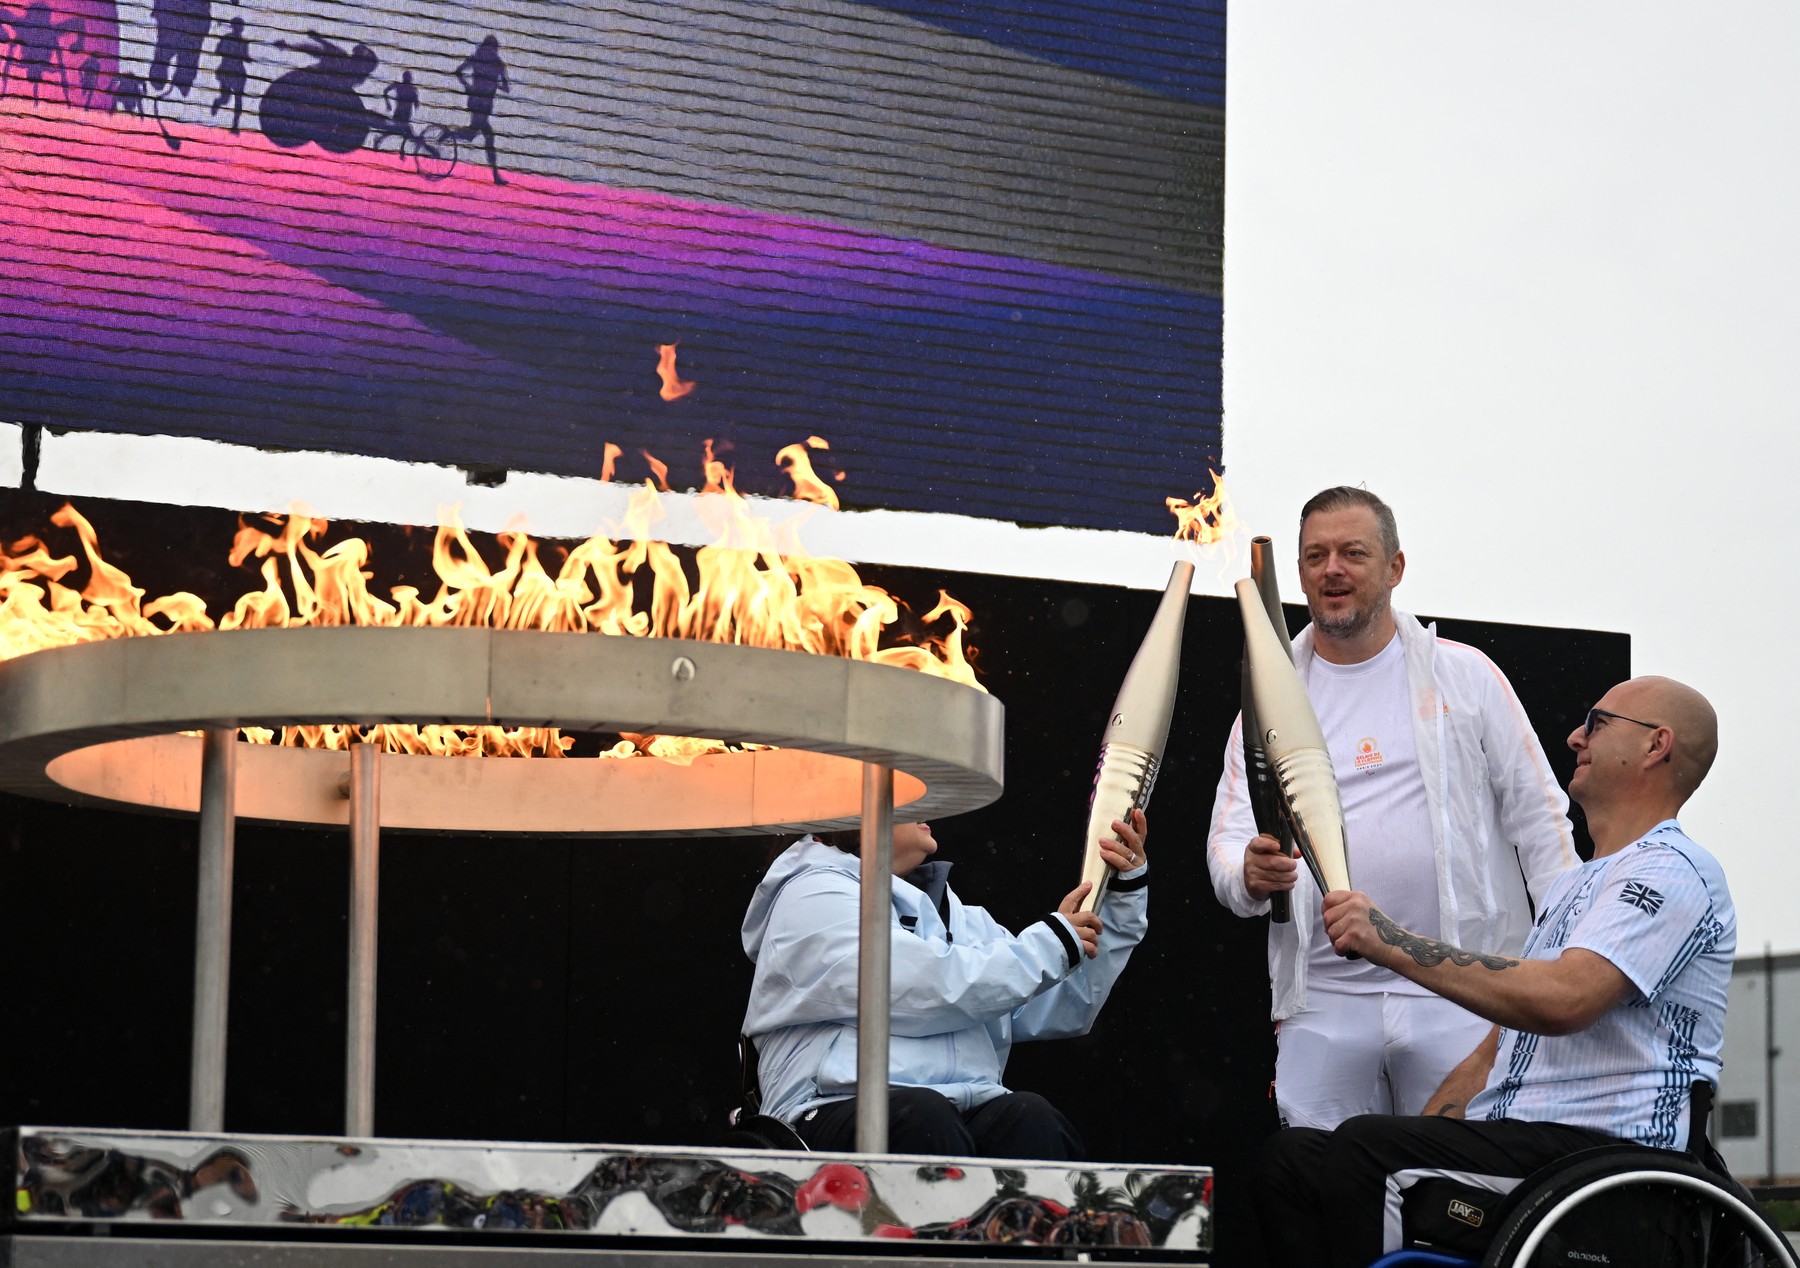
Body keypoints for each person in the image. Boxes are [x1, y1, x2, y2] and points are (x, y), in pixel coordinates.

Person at [1255, 675, 1732, 1268]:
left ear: (1656, 746)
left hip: (1615, 1172)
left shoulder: (1675, 869)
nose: (1575, 736)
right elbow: (1492, 1054)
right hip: (1531, 1157)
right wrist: (1439, 1130)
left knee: (1363, 1150)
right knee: (1294, 1161)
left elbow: (1567, 998)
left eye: (1597, 722)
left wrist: (1391, 941)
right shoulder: (1576, 887)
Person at [1208, 486, 1577, 1129]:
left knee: (1458, 1197)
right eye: (1316, 556)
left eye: (1353, 552)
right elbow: (1227, 843)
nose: (1333, 570)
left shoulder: (1467, 677)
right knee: (1328, 1197)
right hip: (1324, 1002)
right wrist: (1248, 871)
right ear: (1298, 572)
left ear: (1394, 568)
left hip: (1461, 990)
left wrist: (1560, 968)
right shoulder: (1267, 700)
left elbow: (1541, 823)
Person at [740, 812, 1149, 1159]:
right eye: (904, 788)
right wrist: (1052, 945)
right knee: (921, 1118)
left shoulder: (959, 915)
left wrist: (1114, 901)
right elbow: (915, 988)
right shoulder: (811, 894)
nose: (928, 801)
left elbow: (1060, 1006)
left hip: (952, 1111)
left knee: (1030, 1117)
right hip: (825, 1112)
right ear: (846, 811)